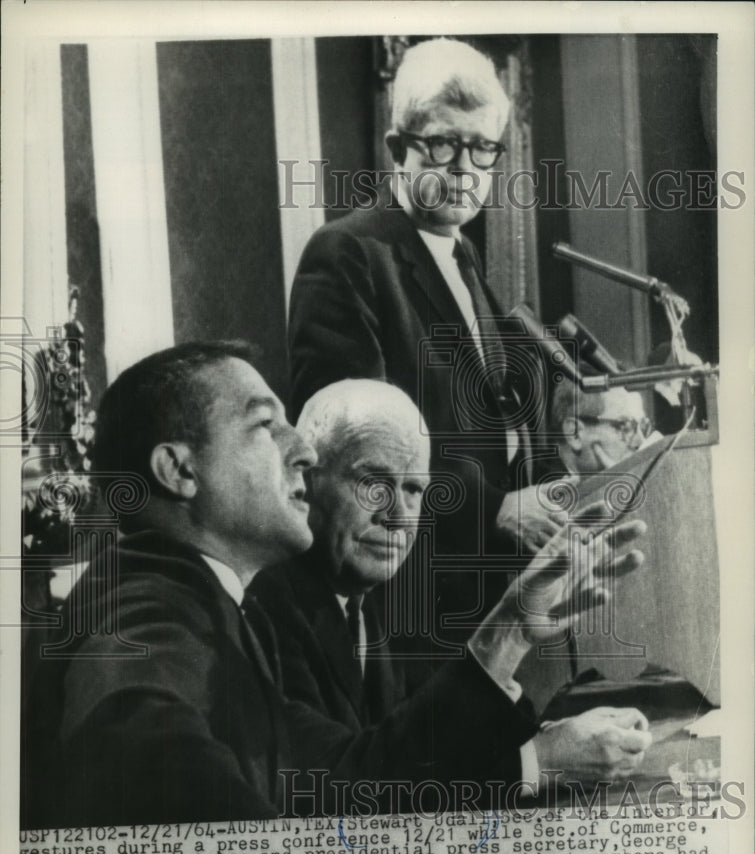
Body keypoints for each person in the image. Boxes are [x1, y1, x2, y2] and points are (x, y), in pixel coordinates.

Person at [21, 344, 651, 827]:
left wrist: (509, 627)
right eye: (266, 425)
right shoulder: (142, 608)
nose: (300, 451)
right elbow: (137, 753)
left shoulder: (206, 604)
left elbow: (353, 778)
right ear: (180, 469)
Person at [253, 378, 653, 807]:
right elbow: (351, 793)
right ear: (305, 481)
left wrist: (555, 739)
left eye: (413, 490)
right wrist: (541, 762)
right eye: (373, 483)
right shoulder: (264, 608)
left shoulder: (366, 597)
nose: (399, 517)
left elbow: (415, 750)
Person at [288, 37, 567, 613]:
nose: (465, 169)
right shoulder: (349, 253)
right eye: (442, 145)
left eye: (483, 148)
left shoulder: (464, 259)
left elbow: (501, 430)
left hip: (495, 592)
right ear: (398, 147)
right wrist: (493, 508)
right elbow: (353, 455)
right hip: (411, 600)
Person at [549, 380, 660, 476]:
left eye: (644, 427)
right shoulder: (541, 493)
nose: (640, 442)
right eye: (626, 427)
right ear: (574, 434)